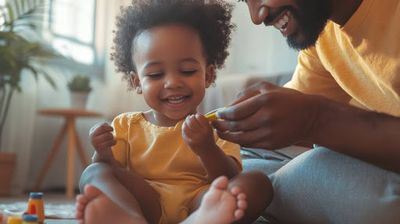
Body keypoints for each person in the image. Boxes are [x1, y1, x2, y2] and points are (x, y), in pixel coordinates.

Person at [75, 0, 272, 224]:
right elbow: (111, 170)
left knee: (257, 182)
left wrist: (206, 147)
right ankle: (126, 217)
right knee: (93, 172)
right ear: (137, 81)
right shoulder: (125, 125)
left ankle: (204, 220)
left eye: (187, 71)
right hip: (144, 204)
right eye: (156, 75)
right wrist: (102, 152)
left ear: (208, 75)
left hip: (200, 204)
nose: (172, 83)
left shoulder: (219, 125)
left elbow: (229, 177)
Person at [212, 0, 400, 223]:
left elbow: (309, 118)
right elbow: (288, 120)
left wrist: (316, 120)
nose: (257, 16)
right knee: (241, 166)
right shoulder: (326, 35)